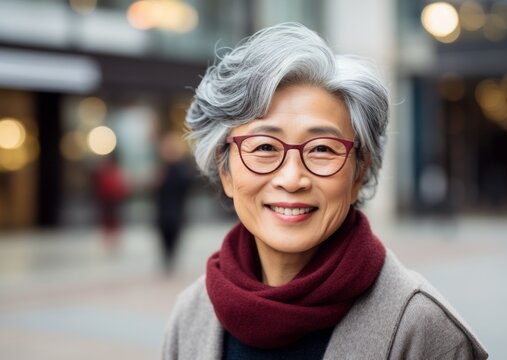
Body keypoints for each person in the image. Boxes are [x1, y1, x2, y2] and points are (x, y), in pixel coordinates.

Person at [162, 23, 488, 359]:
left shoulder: (422, 328)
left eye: (321, 149)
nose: (292, 179)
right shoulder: (191, 315)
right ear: (225, 170)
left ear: (359, 172)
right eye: (263, 147)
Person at [155, 132, 194, 274]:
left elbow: (186, 186)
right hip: (163, 212)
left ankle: (170, 261)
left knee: (174, 238)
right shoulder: (163, 168)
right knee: (164, 238)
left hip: (176, 211)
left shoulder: (181, 168)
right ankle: (167, 261)